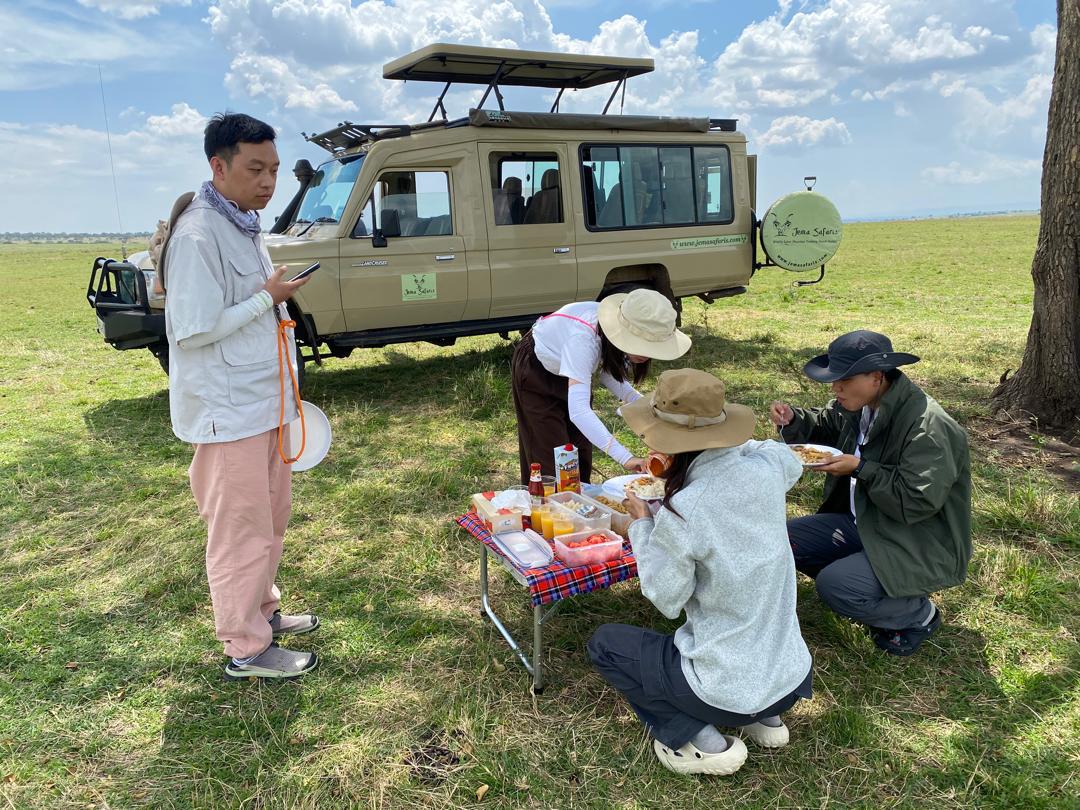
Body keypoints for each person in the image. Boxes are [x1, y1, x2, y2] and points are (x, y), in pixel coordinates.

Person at [588, 369, 812, 776]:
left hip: (723, 684)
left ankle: (702, 742)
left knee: (605, 643)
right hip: (788, 675)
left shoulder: (684, 510)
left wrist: (640, 523)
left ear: (667, 444)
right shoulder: (767, 468)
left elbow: (665, 598)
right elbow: (782, 455)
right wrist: (731, 440)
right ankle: (768, 720)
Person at [164, 112, 320, 680]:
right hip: (228, 413)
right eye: (255, 169)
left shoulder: (242, 223)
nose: (268, 181)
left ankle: (263, 613)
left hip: (262, 402)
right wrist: (267, 295)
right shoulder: (199, 233)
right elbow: (193, 326)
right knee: (240, 530)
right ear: (218, 166)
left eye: (274, 169)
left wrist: (268, 292)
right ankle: (245, 648)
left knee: (271, 520)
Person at [771, 330, 971, 656]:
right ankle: (870, 586)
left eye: (844, 380)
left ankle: (918, 614)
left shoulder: (928, 426)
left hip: (915, 538)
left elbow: (916, 502)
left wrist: (859, 468)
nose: (835, 387)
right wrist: (795, 420)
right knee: (781, 541)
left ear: (876, 377)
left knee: (837, 587)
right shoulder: (860, 403)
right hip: (865, 520)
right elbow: (827, 424)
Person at [511, 288, 690, 484]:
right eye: (641, 344)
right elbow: (579, 412)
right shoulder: (583, 341)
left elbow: (609, 373)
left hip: (574, 370)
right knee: (551, 456)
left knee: (580, 452)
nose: (645, 354)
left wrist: (646, 410)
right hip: (538, 372)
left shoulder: (612, 332)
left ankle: (579, 504)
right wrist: (625, 458)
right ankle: (547, 508)